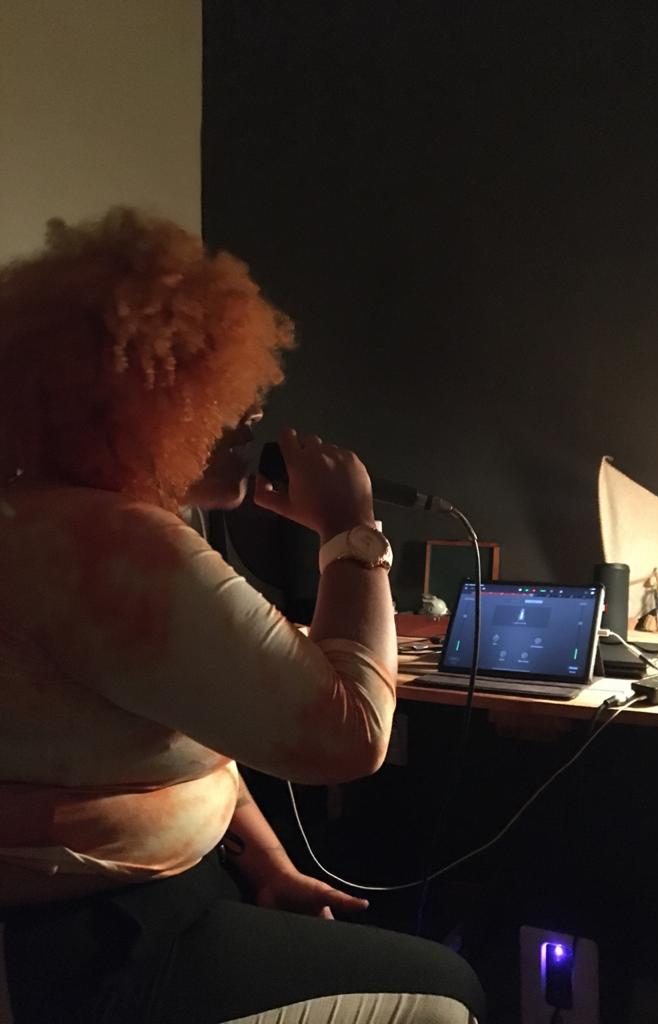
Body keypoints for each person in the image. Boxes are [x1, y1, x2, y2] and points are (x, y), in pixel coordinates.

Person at [0, 209, 485, 1023]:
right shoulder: (117, 545)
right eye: (219, 394)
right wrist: (351, 529)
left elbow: (189, 740)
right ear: (132, 402)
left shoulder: (51, 519)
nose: (252, 415)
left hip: (124, 909)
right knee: (452, 988)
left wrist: (267, 865)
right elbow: (353, 734)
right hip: (100, 945)